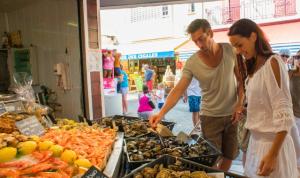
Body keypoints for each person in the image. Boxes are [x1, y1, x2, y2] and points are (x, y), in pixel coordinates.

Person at [149, 19, 244, 171]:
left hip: (232, 115)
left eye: (202, 39)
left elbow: (241, 81)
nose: (199, 44)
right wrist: (161, 113)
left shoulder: (230, 50)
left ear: (210, 33)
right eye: (195, 41)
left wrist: (239, 105)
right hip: (209, 117)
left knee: (229, 155)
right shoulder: (192, 63)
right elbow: (178, 90)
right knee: (210, 160)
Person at [228, 18, 298, 177]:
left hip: (273, 147)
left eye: (240, 44)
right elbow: (265, 103)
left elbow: (284, 113)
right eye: (235, 47)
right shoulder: (253, 68)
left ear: (253, 36)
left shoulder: (273, 62)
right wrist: (245, 109)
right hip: (256, 144)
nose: (238, 51)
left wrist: (273, 155)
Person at [288, 50, 300, 169]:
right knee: (295, 147)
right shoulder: (290, 73)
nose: (299, 59)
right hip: (293, 116)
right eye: (297, 57)